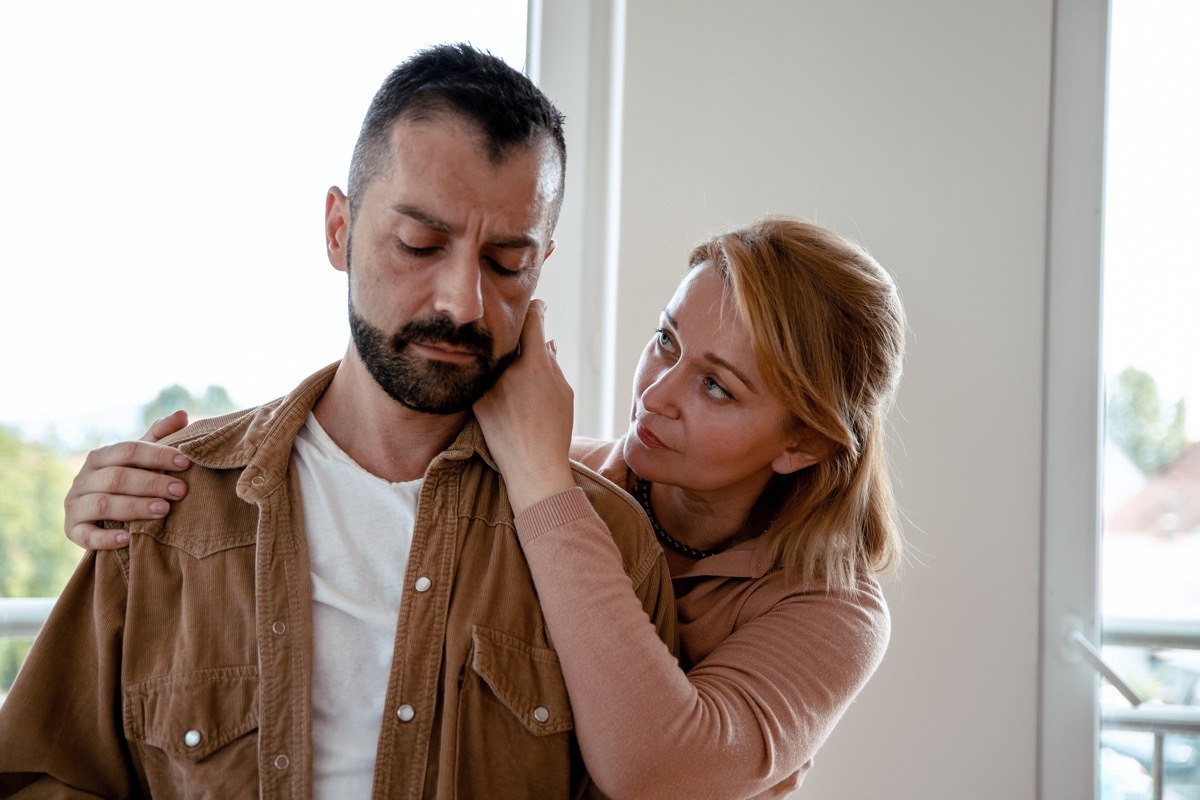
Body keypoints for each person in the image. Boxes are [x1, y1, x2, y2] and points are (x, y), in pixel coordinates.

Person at [0, 43, 677, 799]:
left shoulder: (609, 548)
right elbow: (41, 776)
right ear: (337, 229)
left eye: (506, 262)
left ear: (542, 266)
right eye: (419, 244)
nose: (461, 302)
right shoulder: (165, 503)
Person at [59, 215, 908, 798]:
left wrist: (543, 483)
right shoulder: (546, 487)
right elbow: (360, 436)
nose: (657, 394)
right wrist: (170, 477)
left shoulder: (831, 609)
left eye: (717, 387)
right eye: (665, 342)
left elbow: (656, 773)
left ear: (802, 445)